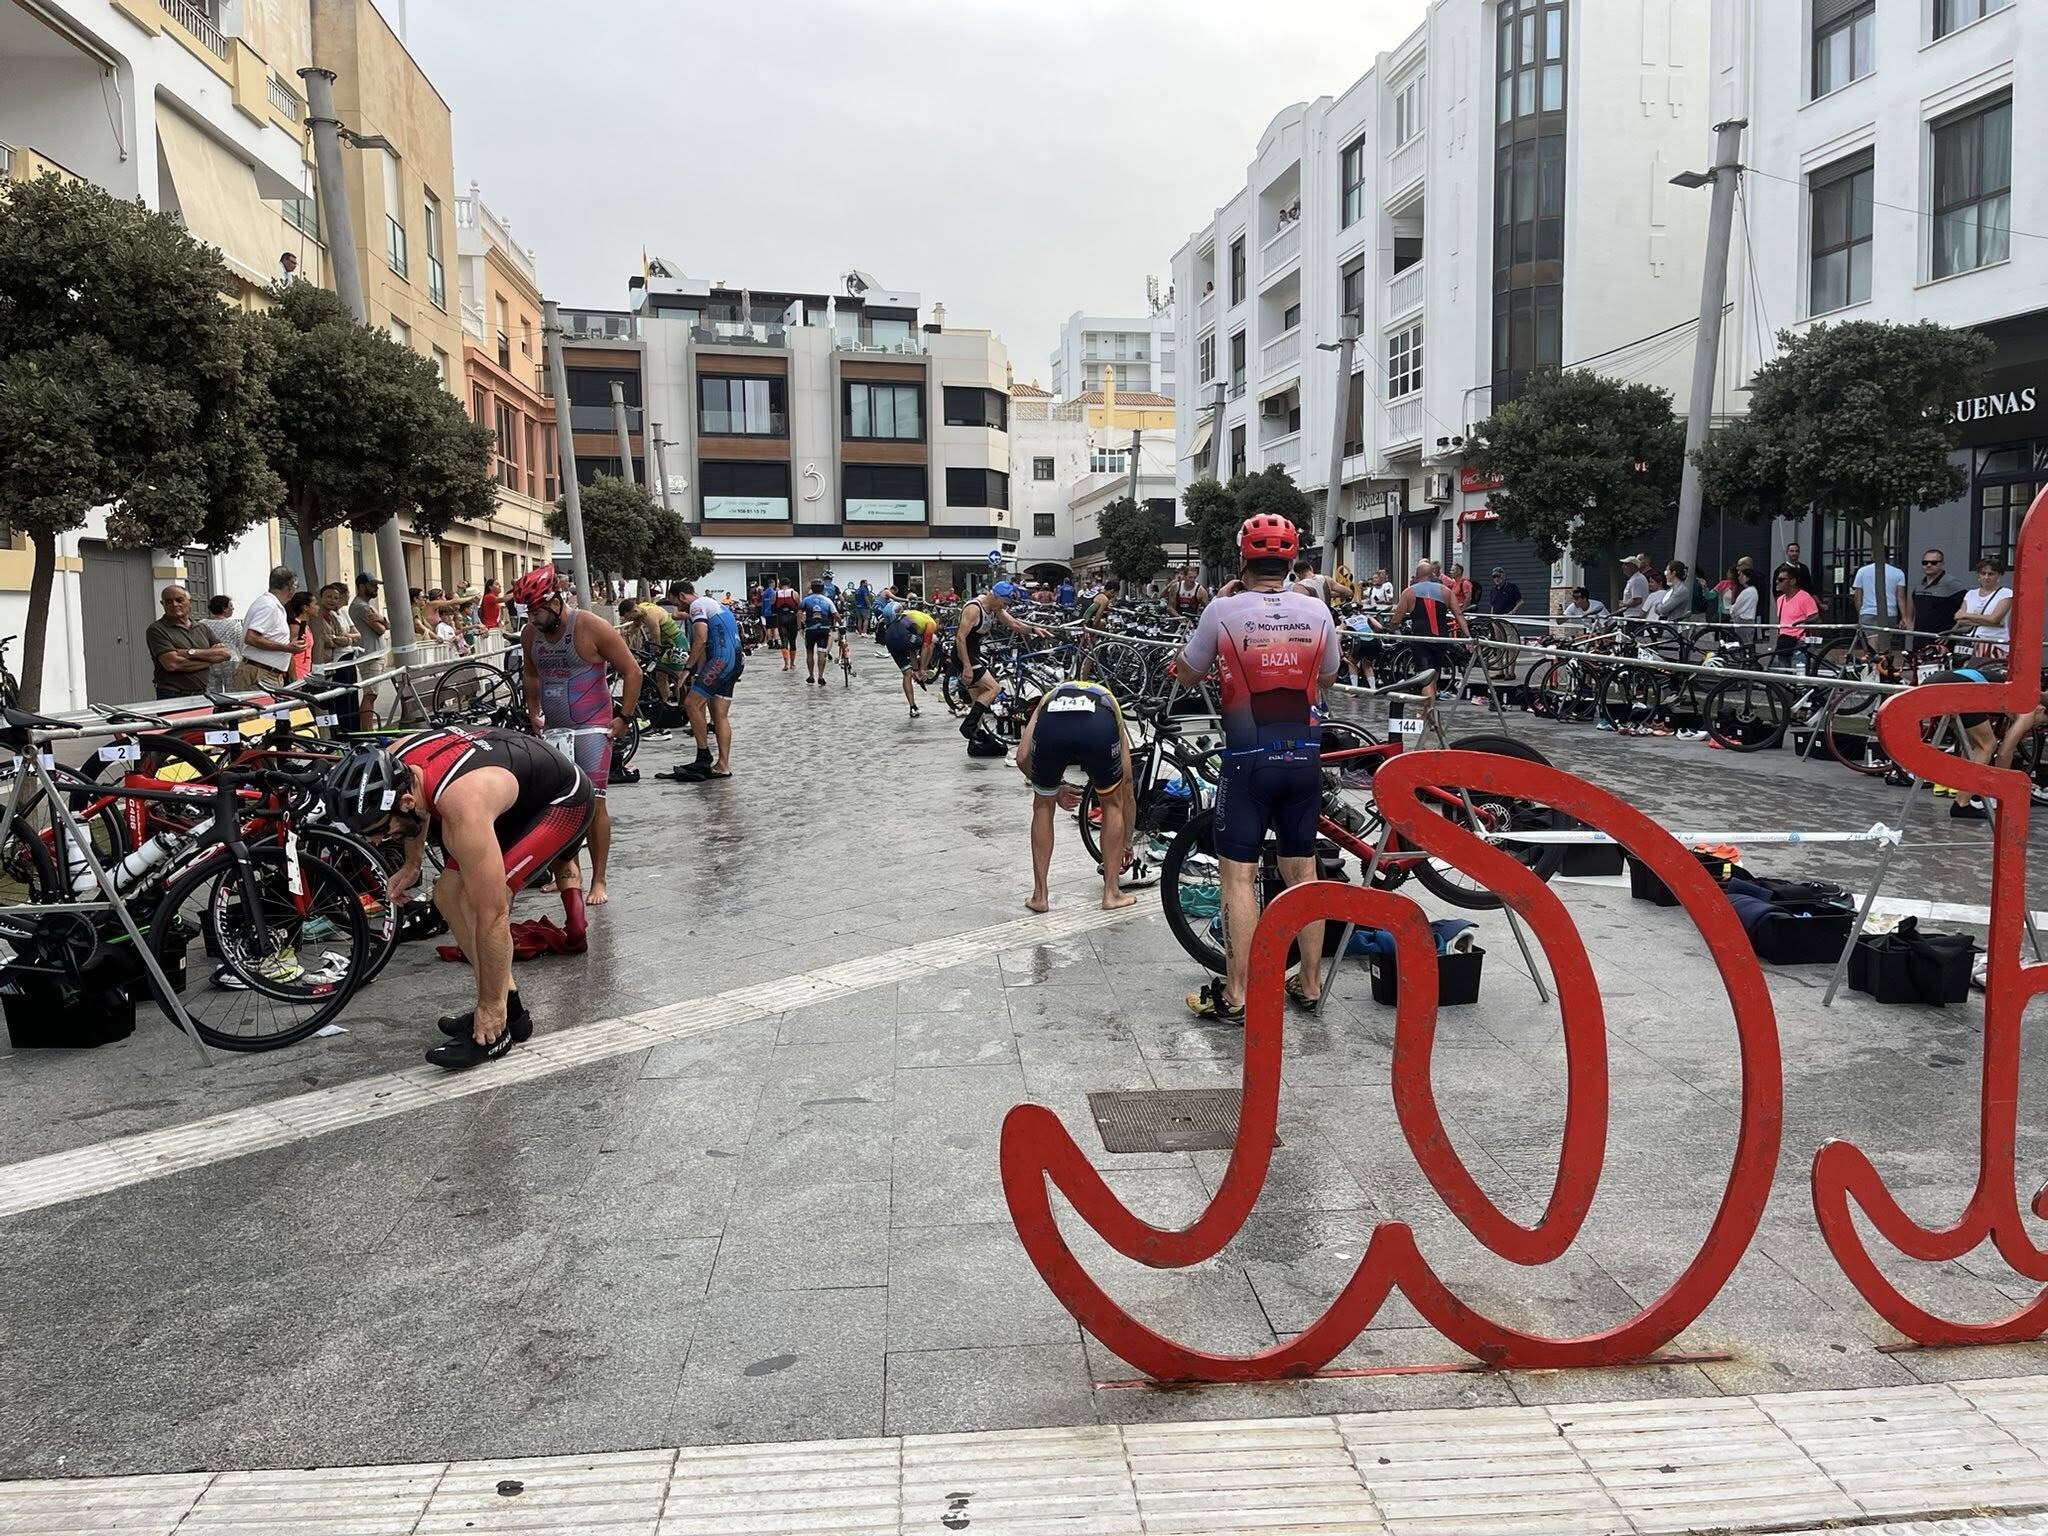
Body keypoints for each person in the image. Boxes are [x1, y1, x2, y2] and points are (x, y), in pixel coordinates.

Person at [332, 729, 597, 1070]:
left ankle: (495, 1025)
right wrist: (412, 864)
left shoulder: (462, 808)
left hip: (562, 803)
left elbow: (494, 916)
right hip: (512, 786)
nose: (382, 840)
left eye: (384, 830)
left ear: (404, 803)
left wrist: (487, 1006)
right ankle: (512, 1008)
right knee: (446, 893)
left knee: (487, 900)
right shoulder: (399, 762)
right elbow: (418, 812)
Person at [1169, 515, 1337, 1021]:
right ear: (1291, 561)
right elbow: (1327, 675)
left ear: (1243, 557)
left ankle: (1238, 995)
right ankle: (1309, 985)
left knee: (1237, 877)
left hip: (1248, 759)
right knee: (1302, 872)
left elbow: (1189, 669)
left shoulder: (1222, 609)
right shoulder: (1318, 611)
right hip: (1304, 756)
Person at [517, 567, 641, 907]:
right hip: (555, 728)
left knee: (594, 803)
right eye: (527, 611)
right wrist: (533, 712)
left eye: (536, 609)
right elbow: (531, 675)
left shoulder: (589, 626)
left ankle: (599, 878)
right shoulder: (532, 634)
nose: (532, 617)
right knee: (556, 805)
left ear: (555, 602)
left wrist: (624, 718)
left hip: (592, 726)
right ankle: (567, 873)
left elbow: (633, 671)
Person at [1016, 679, 1140, 915]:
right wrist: (1127, 842)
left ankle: (1039, 896)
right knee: (1112, 804)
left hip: (1051, 729)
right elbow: (1127, 783)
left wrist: (1055, 787)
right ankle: (1111, 893)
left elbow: (1022, 757)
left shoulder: (1048, 698)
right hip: (1098, 727)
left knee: (1042, 806)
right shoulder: (1108, 701)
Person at [956, 580, 1047, 754]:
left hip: (973, 654)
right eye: (1004, 603)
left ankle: (975, 742)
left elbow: (1015, 624)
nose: (1005, 607)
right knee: (994, 688)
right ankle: (967, 727)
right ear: (995, 597)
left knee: (979, 700)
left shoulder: (995, 608)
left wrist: (1035, 630)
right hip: (963, 655)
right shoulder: (974, 608)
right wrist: (966, 666)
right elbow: (960, 638)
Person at [671, 580, 741, 780]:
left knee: (691, 704)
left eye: (676, 602)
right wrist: (699, 672)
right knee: (719, 715)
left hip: (721, 659)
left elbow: (700, 639)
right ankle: (723, 765)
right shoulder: (711, 603)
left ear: (682, 596)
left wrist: (687, 669)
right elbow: (708, 642)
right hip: (734, 659)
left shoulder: (697, 606)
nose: (678, 607)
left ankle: (703, 756)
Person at [1390, 557, 1465, 712]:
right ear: (1432, 575)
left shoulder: (1409, 592)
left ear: (1416, 576)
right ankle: (1431, 710)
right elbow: (1458, 615)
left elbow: (1396, 619)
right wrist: (1468, 637)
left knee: (1426, 679)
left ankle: (1428, 715)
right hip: (1441, 639)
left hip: (1421, 640)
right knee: (1434, 675)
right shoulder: (1445, 591)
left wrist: (1391, 628)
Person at [145, 586, 232, 701]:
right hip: (173, 694)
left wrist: (189, 653)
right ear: (163, 604)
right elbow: (173, 664)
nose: (175, 604)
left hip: (202, 693)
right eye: (168, 602)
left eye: (179, 600)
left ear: (189, 602)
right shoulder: (157, 629)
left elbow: (225, 654)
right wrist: (211, 659)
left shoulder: (202, 627)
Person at [233, 565, 305, 690]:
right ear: (290, 586)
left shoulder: (273, 605)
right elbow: (251, 638)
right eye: (295, 587)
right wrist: (286, 647)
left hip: (267, 673)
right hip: (260, 673)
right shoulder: (268, 606)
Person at [618, 593, 687, 709]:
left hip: (676, 642)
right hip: (665, 644)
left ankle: (683, 707)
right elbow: (636, 624)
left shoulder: (650, 615)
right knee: (660, 676)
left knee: (677, 678)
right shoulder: (641, 610)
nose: (628, 620)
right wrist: (627, 632)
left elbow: (656, 637)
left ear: (634, 611)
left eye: (628, 617)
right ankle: (663, 705)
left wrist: (654, 652)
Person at [1850, 549, 1914, 668]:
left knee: (1872, 644)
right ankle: (1885, 670)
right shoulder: (1898, 573)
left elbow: (1858, 595)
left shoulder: (1862, 571)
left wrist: (1860, 613)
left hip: (1868, 612)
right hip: (1890, 613)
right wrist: (1904, 617)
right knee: (1885, 644)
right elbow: (1900, 597)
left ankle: (1874, 671)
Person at [349, 573, 391, 726]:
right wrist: (383, 620)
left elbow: (386, 625)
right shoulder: (362, 607)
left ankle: (366, 729)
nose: (376, 588)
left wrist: (382, 619)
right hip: (369, 656)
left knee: (372, 694)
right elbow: (381, 629)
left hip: (374, 654)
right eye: (373, 585)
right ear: (361, 586)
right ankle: (366, 730)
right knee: (370, 694)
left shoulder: (367, 606)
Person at [885, 602, 939, 717]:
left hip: (889, 637)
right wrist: (923, 669)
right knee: (931, 642)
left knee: (906, 673)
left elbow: (911, 650)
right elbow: (925, 646)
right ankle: (923, 669)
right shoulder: (931, 624)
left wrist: (915, 669)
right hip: (905, 637)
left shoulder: (911, 615)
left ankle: (913, 707)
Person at [1953, 558, 2015, 659]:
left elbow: (1995, 619)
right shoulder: (1970, 594)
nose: (1986, 577)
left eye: (1991, 574)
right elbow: (1960, 620)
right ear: (1979, 575)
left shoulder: (2006, 593)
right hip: (1970, 643)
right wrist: (1990, 622)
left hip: (1994, 643)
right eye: (1983, 573)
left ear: (1998, 575)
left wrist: (1966, 615)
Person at [1771, 566, 1820, 666]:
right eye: (1777, 579)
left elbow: (1816, 617)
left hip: (1800, 641)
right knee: (1784, 675)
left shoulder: (1804, 597)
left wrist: (1802, 623)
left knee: (1799, 674)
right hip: (1783, 641)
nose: (1777, 582)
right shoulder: (1780, 599)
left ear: (1793, 581)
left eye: (1781, 579)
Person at [201, 594, 244, 696]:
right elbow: (241, 644)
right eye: (230, 606)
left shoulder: (202, 624)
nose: (232, 608)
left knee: (212, 693)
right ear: (224, 608)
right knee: (233, 692)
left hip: (210, 660)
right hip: (231, 660)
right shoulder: (234, 625)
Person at [800, 579, 839, 686]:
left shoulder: (806, 600)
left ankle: (811, 675)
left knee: (809, 652)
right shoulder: (827, 601)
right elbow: (835, 614)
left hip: (810, 629)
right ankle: (821, 676)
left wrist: (800, 626)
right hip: (824, 629)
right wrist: (840, 622)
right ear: (822, 589)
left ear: (812, 588)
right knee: (822, 652)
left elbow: (799, 612)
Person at [284, 592, 317, 682]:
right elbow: (290, 652)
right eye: (315, 604)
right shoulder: (295, 626)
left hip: (304, 672)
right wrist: (293, 676)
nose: (317, 607)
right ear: (305, 608)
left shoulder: (305, 625)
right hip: (297, 672)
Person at [774, 579, 801, 670]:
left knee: (784, 640)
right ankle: (792, 664)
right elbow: (799, 607)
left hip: (781, 618)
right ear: (789, 584)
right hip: (792, 617)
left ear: (780, 584)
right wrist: (799, 624)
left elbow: (772, 606)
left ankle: (786, 664)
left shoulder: (776, 594)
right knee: (792, 641)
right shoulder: (794, 593)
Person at [1618, 554, 1653, 621]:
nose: (1623, 567)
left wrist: (1624, 605)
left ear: (1633, 566)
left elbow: (1637, 600)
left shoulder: (1636, 580)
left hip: (1634, 616)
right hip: (1634, 615)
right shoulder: (1638, 578)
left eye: (1626, 564)